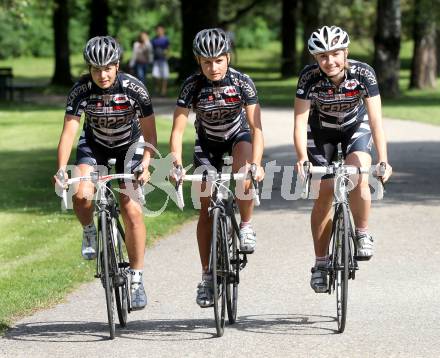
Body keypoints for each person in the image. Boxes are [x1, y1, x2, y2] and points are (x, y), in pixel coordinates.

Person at [54, 36, 157, 310]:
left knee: (131, 208)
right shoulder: (81, 90)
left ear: (117, 65)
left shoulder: (134, 88)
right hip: (94, 145)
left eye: (108, 68)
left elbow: (150, 135)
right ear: (89, 68)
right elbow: (69, 132)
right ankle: (89, 230)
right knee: (82, 195)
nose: (102, 75)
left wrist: (146, 163)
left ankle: (136, 279)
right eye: (96, 69)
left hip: (130, 146)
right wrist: (62, 169)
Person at [169, 28, 265, 308]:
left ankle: (245, 226)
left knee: (244, 175)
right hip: (207, 144)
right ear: (199, 61)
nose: (213, 67)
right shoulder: (192, 85)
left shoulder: (242, 82)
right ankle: (207, 276)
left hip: (238, 138)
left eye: (219, 60)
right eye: (207, 62)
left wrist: (257, 165)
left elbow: (256, 127)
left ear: (228, 58)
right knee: (205, 210)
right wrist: (175, 162)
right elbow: (177, 130)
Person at [293, 26, 392, 293]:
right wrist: (302, 157)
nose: (330, 61)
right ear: (315, 58)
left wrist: (383, 158)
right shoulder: (309, 77)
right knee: (325, 191)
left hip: (354, 127)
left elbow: (375, 121)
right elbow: (301, 121)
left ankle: (361, 233)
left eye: (335, 53)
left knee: (358, 173)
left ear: (345, 52)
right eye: (322, 56)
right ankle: (321, 263)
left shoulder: (363, 73)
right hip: (321, 130)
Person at [151, 24, 170, 96]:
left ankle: (164, 91)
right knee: (155, 75)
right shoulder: (154, 39)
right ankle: (157, 90)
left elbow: (168, 48)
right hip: (156, 60)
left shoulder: (165, 39)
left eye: (160, 30)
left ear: (163, 30)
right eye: (157, 30)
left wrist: (167, 54)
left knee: (165, 76)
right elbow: (152, 49)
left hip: (163, 60)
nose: (158, 31)